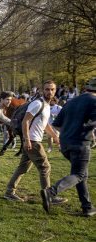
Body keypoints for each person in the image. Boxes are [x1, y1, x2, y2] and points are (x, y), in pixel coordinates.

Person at [41, 77, 96, 216]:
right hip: (81, 143)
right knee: (79, 174)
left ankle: (87, 207)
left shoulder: (71, 102)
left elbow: (57, 124)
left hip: (65, 143)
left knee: (80, 174)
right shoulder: (94, 101)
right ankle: (51, 192)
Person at [5, 80, 60, 202]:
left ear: (55, 91)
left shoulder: (46, 105)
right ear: (42, 90)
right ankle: (49, 196)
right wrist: (27, 139)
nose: (49, 92)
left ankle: (9, 192)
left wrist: (55, 136)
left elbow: (45, 125)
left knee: (23, 168)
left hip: (32, 140)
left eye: (52, 89)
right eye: (47, 89)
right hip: (33, 141)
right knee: (45, 167)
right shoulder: (37, 104)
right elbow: (26, 121)